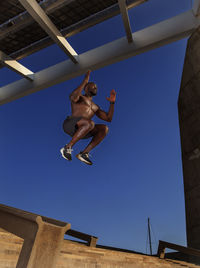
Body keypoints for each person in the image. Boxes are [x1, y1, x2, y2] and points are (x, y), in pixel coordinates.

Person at [60, 70, 116, 165]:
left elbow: (108, 118)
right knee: (90, 123)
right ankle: (67, 148)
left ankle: (84, 154)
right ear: (86, 88)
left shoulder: (95, 107)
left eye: (96, 87)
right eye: (92, 85)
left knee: (104, 128)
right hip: (70, 124)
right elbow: (73, 97)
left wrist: (112, 103)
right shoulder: (80, 97)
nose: (95, 87)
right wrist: (85, 81)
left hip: (83, 130)